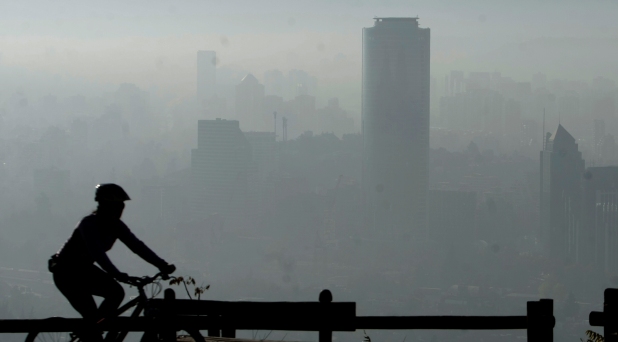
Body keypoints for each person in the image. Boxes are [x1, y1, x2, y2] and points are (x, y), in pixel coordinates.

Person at [49, 183, 176, 325]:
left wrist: (161, 265)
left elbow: (137, 246)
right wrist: (116, 274)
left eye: (122, 206)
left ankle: (95, 329)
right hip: (66, 272)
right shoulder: (88, 224)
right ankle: (92, 332)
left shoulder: (117, 226)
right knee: (92, 313)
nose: (120, 209)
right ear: (105, 205)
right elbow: (97, 253)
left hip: (84, 269)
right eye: (117, 206)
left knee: (116, 293)